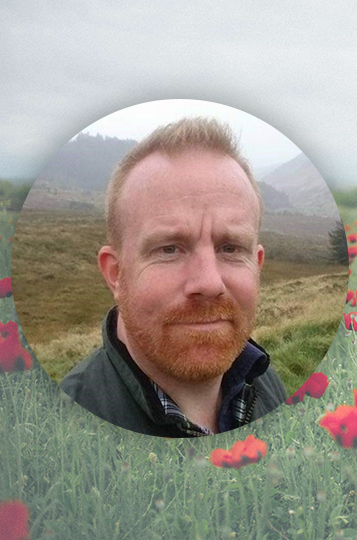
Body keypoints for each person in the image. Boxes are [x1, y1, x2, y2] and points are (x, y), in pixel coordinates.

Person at [60, 117, 287, 437]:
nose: (209, 283)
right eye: (169, 249)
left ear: (257, 264)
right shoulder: (63, 431)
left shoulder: (264, 381)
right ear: (115, 273)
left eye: (231, 248)